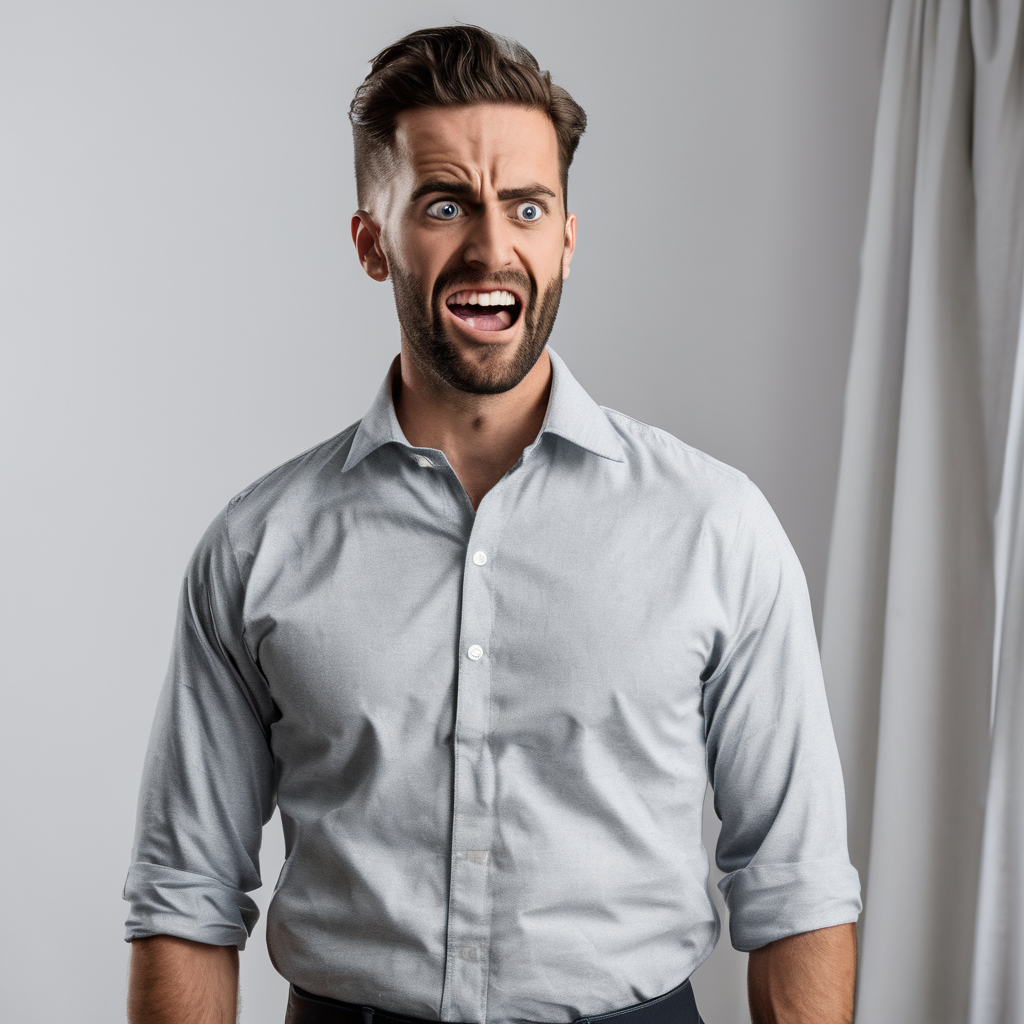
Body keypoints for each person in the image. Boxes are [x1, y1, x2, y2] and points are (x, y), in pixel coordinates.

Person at [124, 25, 861, 1024]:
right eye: (444, 204)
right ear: (370, 240)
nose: (490, 246)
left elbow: (798, 891)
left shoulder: (715, 529)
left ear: (566, 235)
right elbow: (186, 901)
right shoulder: (258, 549)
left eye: (525, 205)